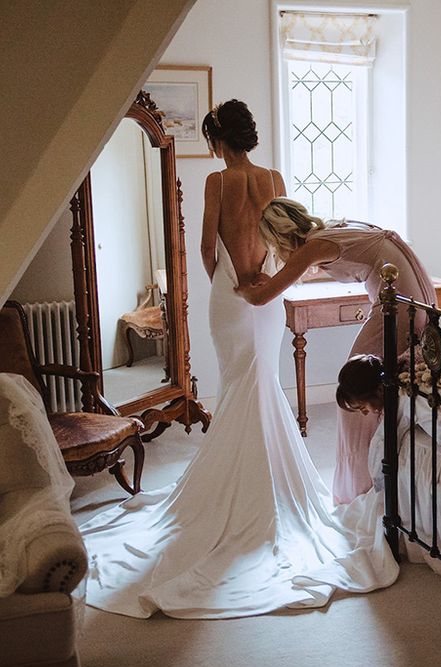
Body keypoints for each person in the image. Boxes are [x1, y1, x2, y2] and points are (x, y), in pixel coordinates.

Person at [78, 99, 398, 619]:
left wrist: (225, 285)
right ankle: (269, 483)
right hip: (269, 294)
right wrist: (265, 280)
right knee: (262, 381)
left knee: (237, 385)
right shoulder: (272, 178)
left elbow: (207, 247)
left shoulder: (216, 183)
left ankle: (239, 491)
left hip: (232, 295)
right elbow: (287, 238)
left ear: (217, 141)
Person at [236, 198, 436, 504]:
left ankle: (358, 490)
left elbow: (262, 297)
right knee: (378, 385)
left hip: (399, 308)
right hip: (413, 300)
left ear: (278, 237)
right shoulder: (333, 231)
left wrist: (240, 285)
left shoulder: (314, 248)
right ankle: (381, 471)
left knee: (352, 392)